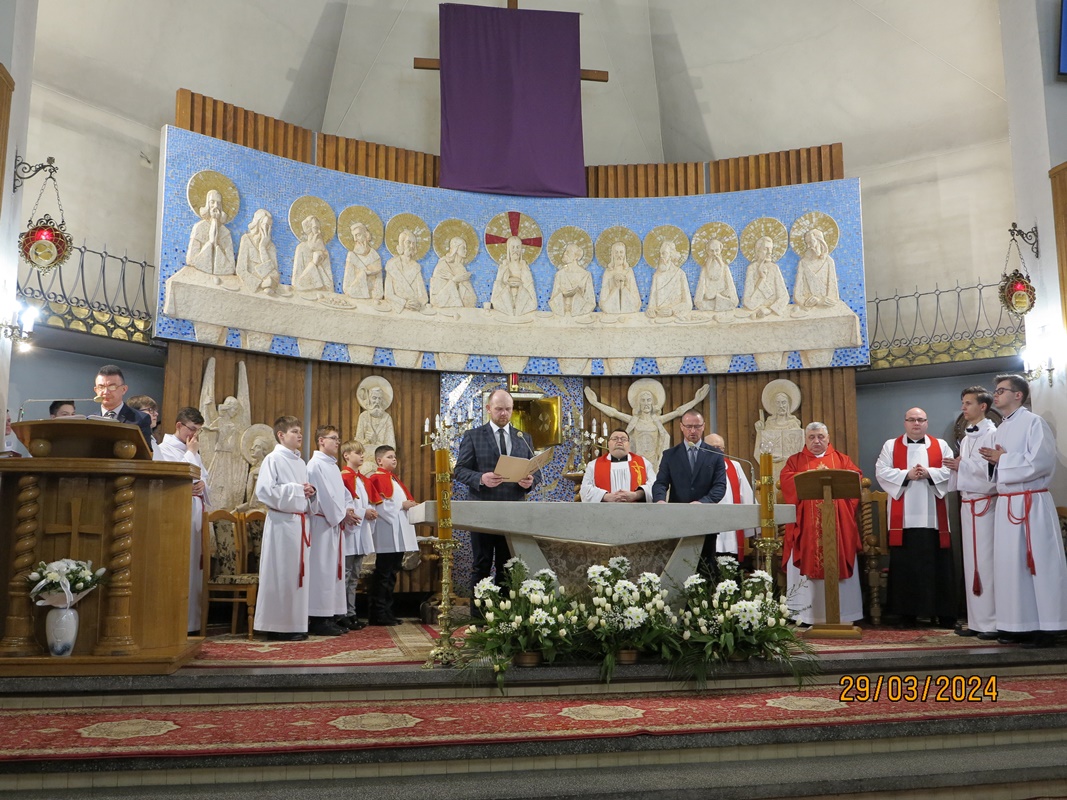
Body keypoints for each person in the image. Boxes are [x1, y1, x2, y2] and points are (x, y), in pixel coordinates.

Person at [979, 374, 1067, 648]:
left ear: (1018, 395)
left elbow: (1041, 462)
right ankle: (1019, 624)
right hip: (1007, 503)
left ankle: (1049, 627)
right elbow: (998, 469)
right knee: (1011, 566)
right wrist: (995, 462)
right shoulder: (1000, 429)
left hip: (1031, 503)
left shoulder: (1034, 422)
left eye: (1001, 390)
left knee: (1038, 564)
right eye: (995, 390)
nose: (995, 394)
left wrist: (1003, 459)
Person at [454, 389, 542, 599]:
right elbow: (459, 470)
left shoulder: (523, 437)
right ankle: (479, 615)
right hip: (482, 509)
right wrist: (480, 478)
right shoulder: (473, 436)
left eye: (508, 409)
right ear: (488, 408)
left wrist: (530, 481)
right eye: (499, 409)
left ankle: (506, 613)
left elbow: (536, 471)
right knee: (481, 564)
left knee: (508, 565)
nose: (504, 413)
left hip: (513, 510)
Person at [876, 407, 956, 628]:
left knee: (938, 565)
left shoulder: (941, 445)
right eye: (911, 420)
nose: (916, 423)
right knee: (906, 566)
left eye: (920, 419)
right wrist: (907, 475)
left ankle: (944, 614)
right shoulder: (891, 446)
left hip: (934, 518)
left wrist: (929, 473)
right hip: (904, 520)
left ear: (927, 422)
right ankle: (906, 614)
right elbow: (881, 471)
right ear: (905, 422)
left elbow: (951, 470)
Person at [779, 422, 864, 626]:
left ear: (828, 438)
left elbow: (855, 481)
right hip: (806, 527)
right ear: (805, 439)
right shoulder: (795, 461)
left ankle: (844, 615)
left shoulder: (842, 460)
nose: (816, 441)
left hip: (838, 524)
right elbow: (786, 482)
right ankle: (806, 616)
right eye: (812, 437)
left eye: (820, 437)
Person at [252, 416, 318, 642]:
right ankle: (276, 625)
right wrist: (298, 490)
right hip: (281, 524)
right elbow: (264, 491)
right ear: (281, 435)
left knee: (297, 575)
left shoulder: (300, 462)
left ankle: (295, 623)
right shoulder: (273, 459)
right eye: (295, 431)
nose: (300, 435)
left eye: (300, 431)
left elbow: (302, 492)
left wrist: (310, 492)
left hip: (299, 524)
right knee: (280, 573)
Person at [944, 386, 999, 640]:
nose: (963, 408)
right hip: (968, 504)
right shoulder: (966, 438)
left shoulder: (993, 434)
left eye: (968, 403)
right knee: (972, 563)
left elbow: (993, 472)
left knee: (986, 563)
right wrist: (958, 466)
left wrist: (962, 465)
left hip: (985, 504)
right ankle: (976, 621)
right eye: (963, 403)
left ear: (983, 406)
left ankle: (992, 622)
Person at [651, 410, 726, 577]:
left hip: (705, 518)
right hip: (677, 519)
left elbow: (720, 486)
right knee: (677, 569)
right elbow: (661, 483)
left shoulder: (715, 455)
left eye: (697, 427)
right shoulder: (670, 455)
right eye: (689, 426)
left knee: (707, 569)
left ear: (703, 426)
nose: (693, 431)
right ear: (681, 427)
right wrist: (660, 501)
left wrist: (702, 502)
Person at [154, 407, 209, 633]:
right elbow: (175, 480)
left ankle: (193, 623)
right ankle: (177, 623)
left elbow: (203, 478)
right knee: (182, 567)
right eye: (192, 429)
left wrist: (203, 485)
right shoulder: (163, 450)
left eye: (198, 431)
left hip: (195, 514)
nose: (194, 435)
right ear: (179, 425)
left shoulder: (192, 450)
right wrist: (192, 454)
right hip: (178, 515)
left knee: (195, 570)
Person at [583, 381, 710, 472]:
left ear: (653, 402)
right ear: (638, 403)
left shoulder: (657, 420)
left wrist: (696, 400)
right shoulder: (634, 420)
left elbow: (678, 412)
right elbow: (614, 413)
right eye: (643, 400)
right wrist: (594, 403)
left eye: (648, 400)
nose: (646, 403)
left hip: (654, 461)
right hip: (637, 461)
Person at [305, 425, 357, 637]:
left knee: (333, 571)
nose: (337, 442)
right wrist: (342, 514)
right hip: (321, 524)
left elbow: (344, 494)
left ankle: (331, 615)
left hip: (333, 523)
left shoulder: (333, 466)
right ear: (321, 441)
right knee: (322, 571)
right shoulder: (315, 465)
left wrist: (348, 509)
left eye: (338, 438)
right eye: (333, 438)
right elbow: (324, 497)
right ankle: (318, 618)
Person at [365, 445, 419, 625]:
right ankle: (377, 613)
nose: (394, 459)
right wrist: (402, 505)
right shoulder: (376, 478)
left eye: (394, 456)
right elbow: (379, 504)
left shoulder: (394, 480)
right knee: (384, 572)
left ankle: (387, 611)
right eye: (389, 456)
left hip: (398, 530)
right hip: (386, 530)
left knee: (392, 572)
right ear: (379, 460)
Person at [340, 440, 379, 630]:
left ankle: (351, 612)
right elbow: (345, 505)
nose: (362, 456)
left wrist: (370, 511)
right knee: (345, 574)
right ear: (346, 455)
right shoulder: (343, 477)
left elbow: (365, 501)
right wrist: (364, 512)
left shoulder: (361, 479)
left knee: (354, 574)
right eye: (357, 452)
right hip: (349, 532)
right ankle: (341, 613)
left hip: (360, 531)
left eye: (362, 452)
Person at [704, 433, 756, 560]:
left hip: (730, 527)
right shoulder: (698, 466)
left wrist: (754, 526)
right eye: (714, 447)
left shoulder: (734, 466)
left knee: (730, 561)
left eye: (721, 448)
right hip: (707, 522)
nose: (718, 451)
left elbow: (746, 495)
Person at [580, 428, 654, 503]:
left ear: (629, 444)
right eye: (615, 439)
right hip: (605, 510)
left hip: (637, 509)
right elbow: (585, 490)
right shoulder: (593, 465)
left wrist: (636, 495)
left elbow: (654, 486)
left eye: (623, 439)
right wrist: (605, 496)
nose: (619, 441)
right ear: (608, 443)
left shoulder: (644, 463)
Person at [94, 365, 154, 447]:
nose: (106, 392)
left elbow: (145, 452)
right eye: (101, 387)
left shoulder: (140, 419)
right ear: (95, 390)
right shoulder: (90, 419)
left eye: (112, 387)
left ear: (124, 389)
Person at [186, 188, 236, 277]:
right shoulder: (199, 228)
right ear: (207, 204)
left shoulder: (225, 232)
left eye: (218, 203)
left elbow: (231, 266)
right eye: (212, 202)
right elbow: (191, 259)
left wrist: (215, 222)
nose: (215, 206)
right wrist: (211, 242)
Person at [236, 209, 284, 295]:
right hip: (251, 287)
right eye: (265, 225)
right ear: (257, 224)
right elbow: (241, 270)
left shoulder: (271, 247)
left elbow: (275, 276)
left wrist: (262, 248)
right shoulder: (246, 239)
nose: (267, 229)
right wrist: (259, 283)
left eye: (270, 226)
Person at [741, 236, 789, 318]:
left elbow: (784, 296)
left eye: (771, 249)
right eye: (765, 249)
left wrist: (770, 309)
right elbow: (748, 302)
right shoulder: (751, 268)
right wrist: (762, 279)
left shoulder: (774, 268)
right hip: (755, 312)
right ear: (757, 251)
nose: (769, 252)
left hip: (772, 313)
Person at [384, 229, 430, 312]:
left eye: (414, 243)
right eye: (408, 242)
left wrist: (419, 303)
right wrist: (404, 303)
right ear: (401, 244)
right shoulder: (391, 265)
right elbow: (388, 294)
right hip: (397, 308)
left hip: (414, 310)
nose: (411, 246)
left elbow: (423, 295)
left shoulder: (416, 267)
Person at [793, 228, 840, 309]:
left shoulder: (829, 262)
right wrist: (806, 301)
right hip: (808, 308)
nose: (808, 246)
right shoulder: (803, 263)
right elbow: (797, 294)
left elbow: (833, 295)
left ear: (820, 241)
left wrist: (821, 301)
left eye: (811, 242)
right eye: (807, 243)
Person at [490, 236, 537, 316]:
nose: (515, 250)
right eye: (513, 247)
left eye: (518, 247)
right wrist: (507, 284)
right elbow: (497, 287)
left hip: (522, 300)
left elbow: (530, 289)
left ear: (521, 249)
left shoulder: (524, 267)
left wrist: (521, 286)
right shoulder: (504, 267)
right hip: (506, 300)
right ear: (508, 249)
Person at [646, 240, 693, 318]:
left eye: (664, 253)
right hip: (659, 317)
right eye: (660, 253)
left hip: (676, 317)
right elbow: (651, 305)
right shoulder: (656, 276)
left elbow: (688, 303)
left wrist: (672, 310)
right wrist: (650, 310)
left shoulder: (680, 274)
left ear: (671, 255)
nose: (661, 256)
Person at [548, 243, 595, 317]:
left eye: (568, 251)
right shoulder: (559, 274)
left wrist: (578, 295)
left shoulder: (585, 275)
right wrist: (562, 294)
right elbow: (553, 299)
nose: (564, 253)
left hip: (580, 315)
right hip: (561, 314)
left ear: (576, 256)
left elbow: (591, 301)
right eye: (565, 251)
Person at [429, 236, 477, 309]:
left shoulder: (462, 269)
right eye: (463, 248)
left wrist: (456, 280)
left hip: (462, 311)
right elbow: (436, 300)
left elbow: (472, 300)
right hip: (444, 310)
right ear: (456, 249)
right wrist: (453, 281)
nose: (466, 251)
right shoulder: (443, 266)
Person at [292, 215, 334, 297]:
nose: (319, 232)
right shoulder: (301, 248)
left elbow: (329, 287)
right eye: (315, 228)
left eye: (319, 228)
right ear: (308, 229)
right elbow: (297, 284)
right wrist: (314, 264)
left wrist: (319, 265)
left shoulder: (324, 252)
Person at [694, 238, 739, 312]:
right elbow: (700, 292)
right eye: (712, 251)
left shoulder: (725, 268)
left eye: (717, 250)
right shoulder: (705, 269)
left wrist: (728, 295)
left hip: (723, 300)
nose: (714, 254)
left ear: (720, 250)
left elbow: (731, 290)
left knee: (730, 304)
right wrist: (700, 300)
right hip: (708, 301)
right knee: (702, 305)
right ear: (707, 251)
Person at [343, 221, 384, 301]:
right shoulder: (351, 256)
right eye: (353, 236)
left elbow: (379, 289)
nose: (355, 239)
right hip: (353, 297)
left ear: (366, 235)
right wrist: (363, 274)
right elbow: (347, 286)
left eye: (358, 235)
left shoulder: (375, 256)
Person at [598, 240, 641, 314]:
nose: (619, 255)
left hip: (628, 312)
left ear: (625, 254)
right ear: (612, 254)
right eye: (616, 252)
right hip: (611, 311)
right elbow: (603, 301)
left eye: (621, 252)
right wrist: (616, 286)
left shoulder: (629, 272)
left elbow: (636, 301)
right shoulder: (608, 272)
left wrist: (623, 286)